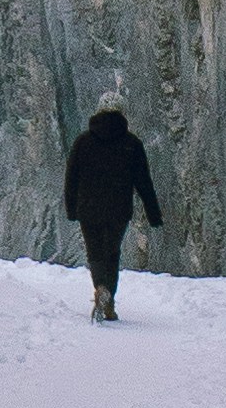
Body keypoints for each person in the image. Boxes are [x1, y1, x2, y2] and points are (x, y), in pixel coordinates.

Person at [62, 93, 161, 320]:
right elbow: (143, 182)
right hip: (119, 209)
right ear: (122, 113)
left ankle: (101, 289)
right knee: (112, 253)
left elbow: (72, 178)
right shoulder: (132, 144)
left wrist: (71, 208)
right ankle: (109, 301)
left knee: (94, 252)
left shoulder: (83, 142)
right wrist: (153, 214)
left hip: (88, 208)